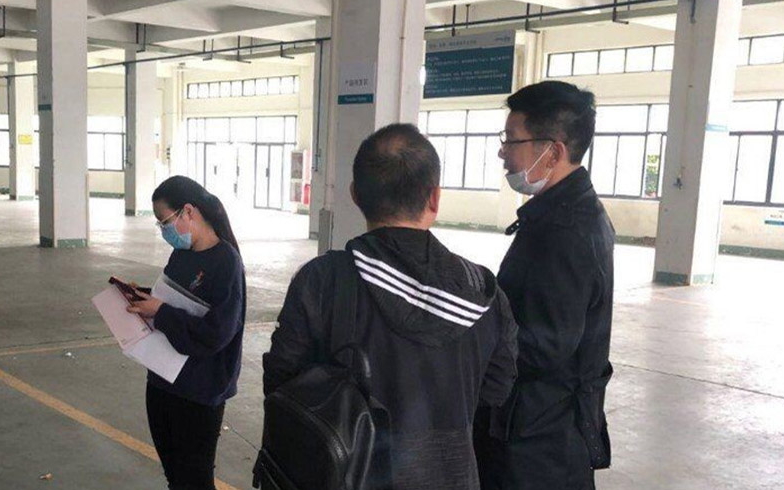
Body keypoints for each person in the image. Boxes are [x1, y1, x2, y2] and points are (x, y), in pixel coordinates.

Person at [263, 123, 519, 490]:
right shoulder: (483, 290)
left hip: (347, 476)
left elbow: (281, 381)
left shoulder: (322, 280)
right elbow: (497, 388)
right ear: (434, 198)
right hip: (452, 477)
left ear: (355, 194)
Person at [474, 80, 615, 490]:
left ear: (552, 152)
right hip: (531, 425)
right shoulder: (556, 214)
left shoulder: (567, 229)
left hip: (540, 442)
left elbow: (544, 345)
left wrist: (469, 339)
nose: (502, 150)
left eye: (512, 139)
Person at [125, 176, 246, 490]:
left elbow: (216, 334)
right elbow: (171, 301)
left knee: (194, 481)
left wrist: (161, 311)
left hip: (199, 391)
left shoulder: (226, 263)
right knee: (176, 478)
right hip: (163, 381)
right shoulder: (181, 255)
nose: (164, 231)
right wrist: (145, 299)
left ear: (188, 211)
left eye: (164, 222)